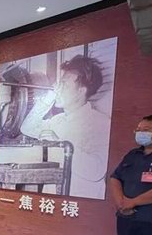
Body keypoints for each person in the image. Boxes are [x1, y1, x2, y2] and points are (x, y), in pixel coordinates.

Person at [20, 55, 111, 199]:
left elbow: (96, 171)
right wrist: (49, 97)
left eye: (64, 85)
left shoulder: (101, 123)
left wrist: (61, 145)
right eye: (59, 84)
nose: (58, 89)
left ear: (81, 91)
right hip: (52, 201)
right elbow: (27, 128)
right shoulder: (57, 121)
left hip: (80, 202)